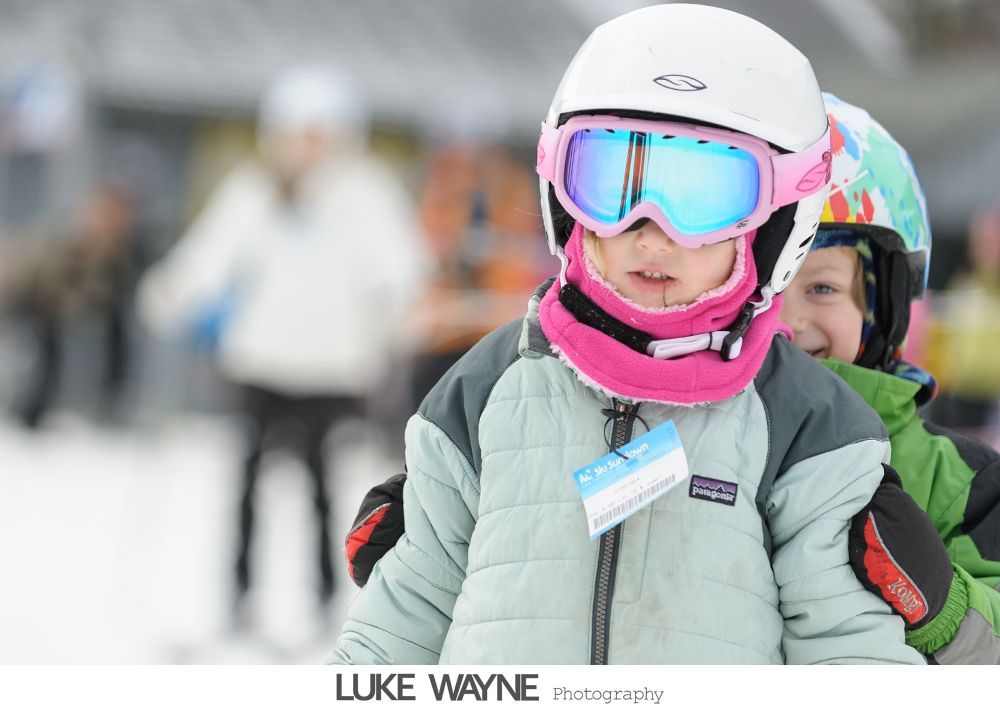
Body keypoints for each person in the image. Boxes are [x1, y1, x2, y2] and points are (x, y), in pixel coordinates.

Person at [330, 5, 923, 665]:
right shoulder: (484, 391)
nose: (652, 228)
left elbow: (848, 654)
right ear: (564, 195)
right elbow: (401, 622)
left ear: (776, 221)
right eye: (615, 183)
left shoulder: (807, 426)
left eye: (703, 195)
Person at [138, 66, 427, 620]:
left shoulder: (365, 194)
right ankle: (240, 592)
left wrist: (399, 309)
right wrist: (173, 292)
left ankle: (322, 594)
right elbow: (210, 255)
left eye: (321, 135)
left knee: (323, 487)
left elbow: (402, 266)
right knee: (245, 484)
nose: (308, 148)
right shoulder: (256, 191)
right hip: (260, 361)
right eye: (299, 134)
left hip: (332, 367)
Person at [780, 94, 1000, 663]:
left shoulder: (961, 483)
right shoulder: (674, 439)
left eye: (821, 288)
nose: (787, 321)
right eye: (766, 289)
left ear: (882, 309)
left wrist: (945, 608)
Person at [11, 182, 136, 428]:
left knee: (118, 336)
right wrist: (77, 305)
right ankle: (30, 414)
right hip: (41, 307)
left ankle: (111, 400)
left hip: (71, 308)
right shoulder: (71, 243)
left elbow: (113, 292)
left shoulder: (117, 252)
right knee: (47, 357)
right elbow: (51, 286)